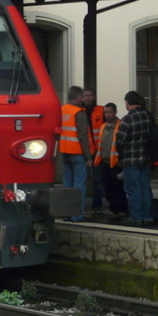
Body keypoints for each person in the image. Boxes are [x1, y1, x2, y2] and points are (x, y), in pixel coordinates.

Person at [114, 91, 154, 225]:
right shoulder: (147, 116)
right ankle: (147, 216)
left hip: (130, 159)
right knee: (145, 188)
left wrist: (119, 154)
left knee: (133, 189)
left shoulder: (128, 118)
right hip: (145, 158)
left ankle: (136, 217)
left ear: (127, 102)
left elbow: (120, 139)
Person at [59, 85, 93, 221]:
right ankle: (77, 215)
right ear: (78, 98)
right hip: (78, 152)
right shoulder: (79, 112)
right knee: (79, 185)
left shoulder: (61, 110)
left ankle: (66, 213)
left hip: (64, 151)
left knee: (67, 183)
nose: (84, 100)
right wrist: (88, 156)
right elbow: (83, 136)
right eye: (83, 97)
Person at [95, 102, 128, 219]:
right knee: (108, 187)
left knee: (118, 188)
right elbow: (101, 144)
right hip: (104, 161)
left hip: (115, 163)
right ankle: (114, 209)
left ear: (115, 112)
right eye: (105, 112)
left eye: (110, 112)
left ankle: (120, 209)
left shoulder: (120, 125)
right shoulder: (104, 126)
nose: (107, 115)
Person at [83, 87, 106, 214]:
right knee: (83, 180)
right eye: (85, 95)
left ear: (94, 97)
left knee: (98, 181)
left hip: (98, 151)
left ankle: (97, 206)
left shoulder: (101, 110)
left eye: (90, 95)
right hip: (84, 151)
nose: (88, 98)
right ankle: (82, 207)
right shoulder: (80, 111)